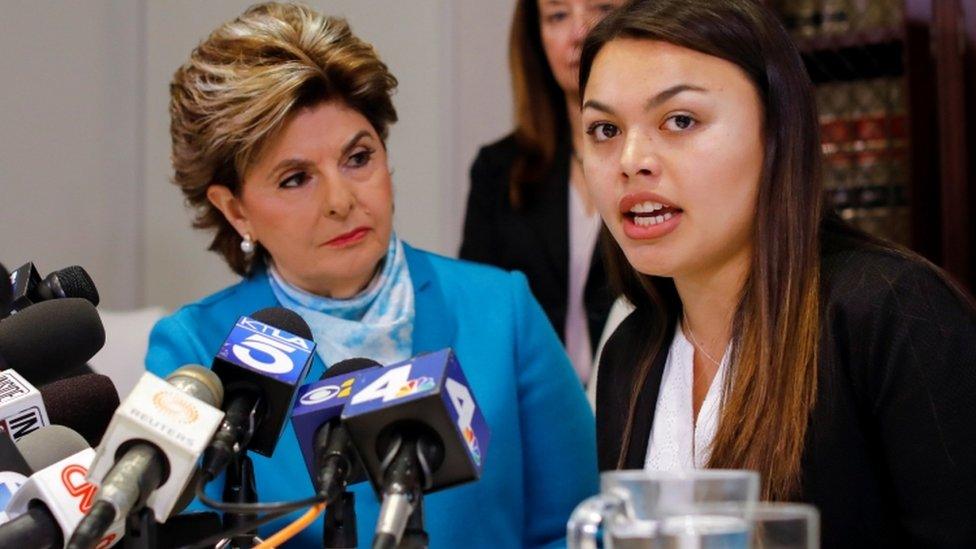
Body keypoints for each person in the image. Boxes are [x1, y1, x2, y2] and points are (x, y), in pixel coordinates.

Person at [145, 3, 597, 547]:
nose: (341, 201)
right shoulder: (194, 354)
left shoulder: (503, 312)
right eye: (295, 179)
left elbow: (575, 529)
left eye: (358, 158)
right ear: (235, 210)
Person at [578, 0, 976, 546]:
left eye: (680, 121)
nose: (631, 159)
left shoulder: (895, 313)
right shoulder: (631, 352)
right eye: (604, 129)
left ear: (777, 135)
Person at [460, 0, 624, 383]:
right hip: (535, 405)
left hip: (639, 405)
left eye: (601, 8)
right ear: (536, 38)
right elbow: (480, 314)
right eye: (557, 16)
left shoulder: (656, 162)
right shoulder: (498, 169)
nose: (579, 32)